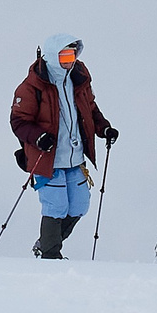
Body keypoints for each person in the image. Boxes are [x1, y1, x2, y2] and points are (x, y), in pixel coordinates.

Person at [10, 34, 115, 260]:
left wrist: (104, 128)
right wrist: (39, 138)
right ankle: (50, 255)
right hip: (47, 159)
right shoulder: (32, 86)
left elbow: (90, 109)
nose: (71, 60)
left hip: (74, 157)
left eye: (74, 55)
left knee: (80, 205)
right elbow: (18, 121)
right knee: (55, 207)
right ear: (52, 56)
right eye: (65, 55)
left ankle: (46, 243)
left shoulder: (78, 79)